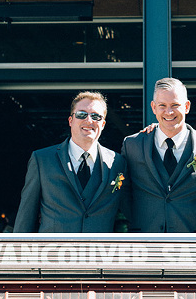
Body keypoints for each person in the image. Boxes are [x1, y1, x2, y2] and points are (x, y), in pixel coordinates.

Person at [14, 91, 126, 233]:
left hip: (99, 252)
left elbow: (129, 211)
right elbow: (26, 214)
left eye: (96, 116)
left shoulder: (118, 163)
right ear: (70, 120)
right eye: (81, 114)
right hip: (53, 253)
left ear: (103, 124)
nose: (89, 120)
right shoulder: (42, 159)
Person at [121, 78, 196, 233]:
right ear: (153, 107)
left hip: (194, 244)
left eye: (175, 105)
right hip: (145, 241)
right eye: (162, 106)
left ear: (187, 106)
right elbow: (124, 194)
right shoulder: (132, 145)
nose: (169, 112)